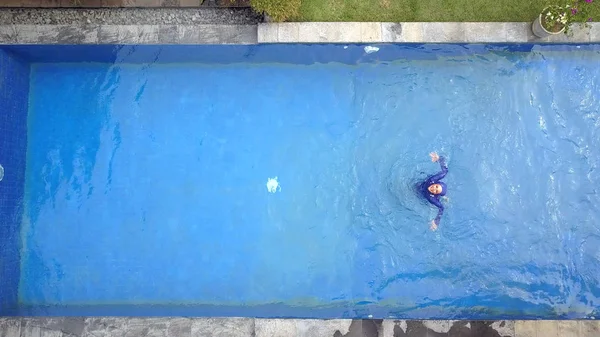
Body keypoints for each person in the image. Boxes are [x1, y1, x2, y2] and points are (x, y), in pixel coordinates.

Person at [421, 152, 448, 231]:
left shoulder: (431, 198)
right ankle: (444, 197)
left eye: (436, 191)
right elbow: (445, 171)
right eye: (436, 187)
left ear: (435, 194)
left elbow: (441, 208)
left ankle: (443, 197)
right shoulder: (433, 180)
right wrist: (439, 158)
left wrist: (436, 221)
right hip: (421, 183)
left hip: (421, 195)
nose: (434, 188)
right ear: (437, 183)